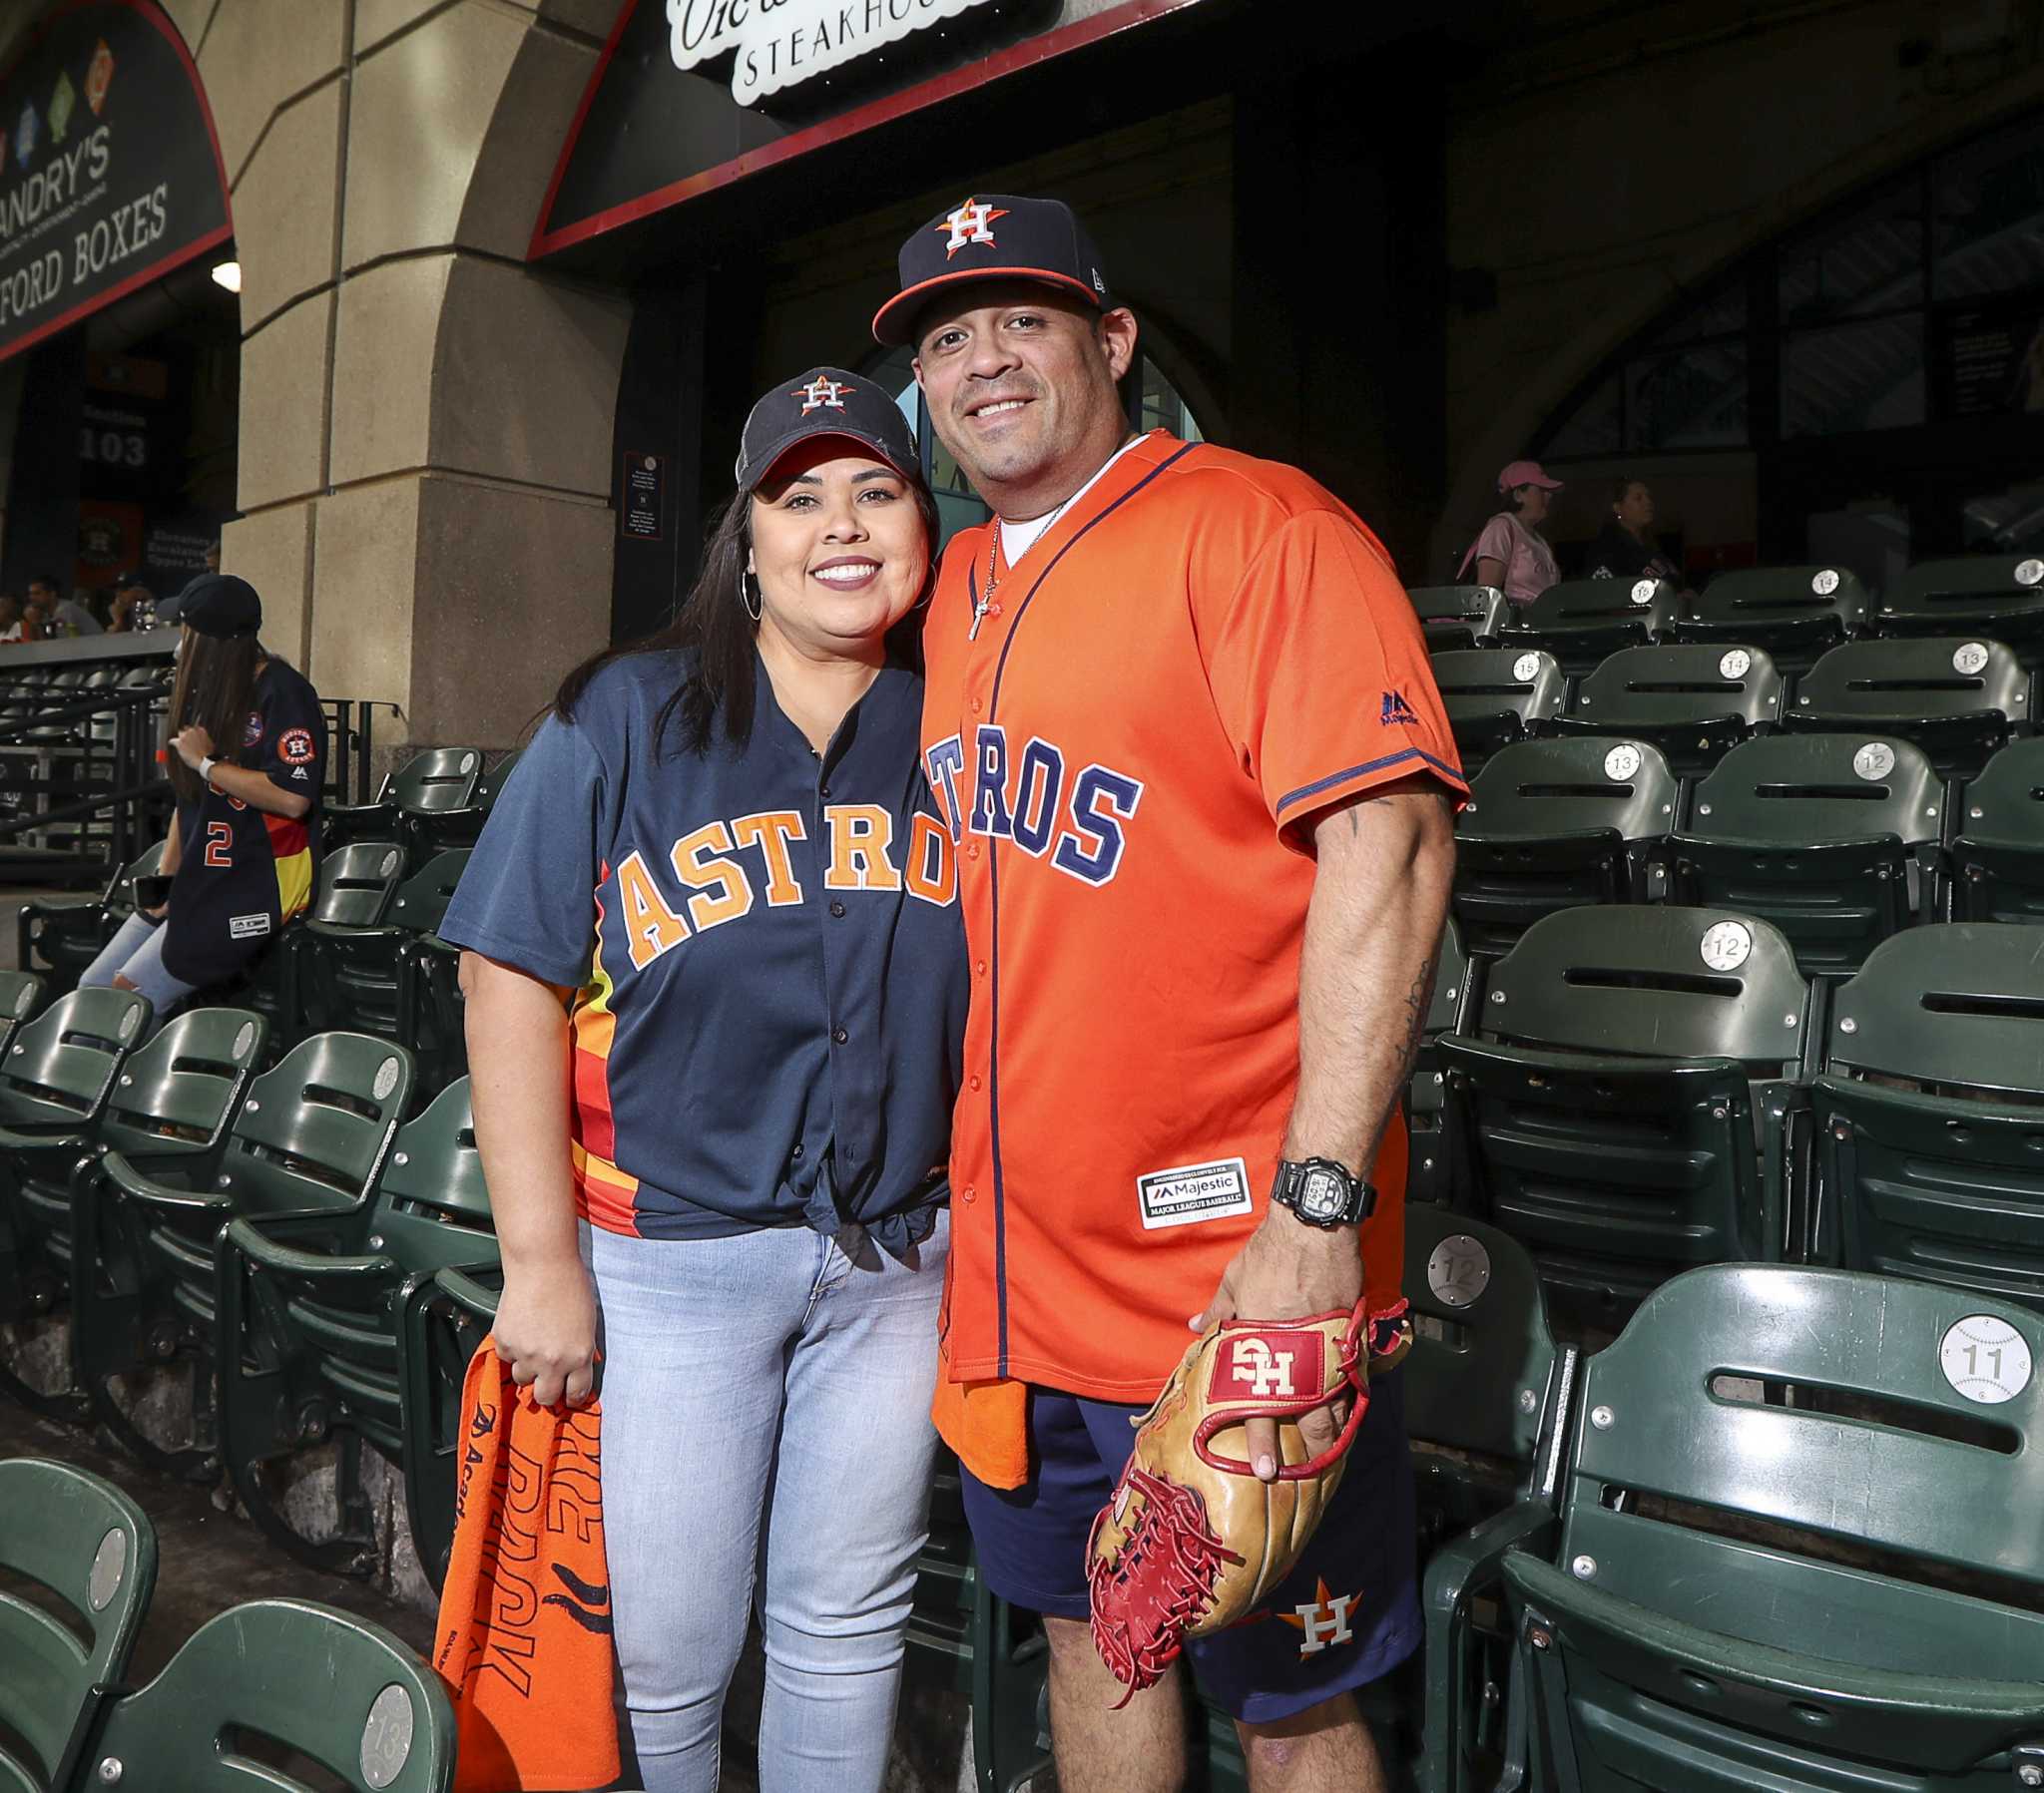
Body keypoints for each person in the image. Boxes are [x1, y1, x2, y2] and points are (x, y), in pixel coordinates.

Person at [874, 195, 1463, 1793]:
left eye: (1021, 320)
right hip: (1026, 1278)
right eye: (945, 337)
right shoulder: (949, 598)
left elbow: (1392, 846)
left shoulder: (1262, 527)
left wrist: (1317, 1208)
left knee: (1298, 1700)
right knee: (1091, 1634)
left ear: (1113, 343)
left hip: (1237, 1282)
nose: (981, 361)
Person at [437, 368, 967, 1793]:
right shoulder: (626, 711)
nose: (842, 527)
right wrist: (540, 1263)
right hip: (671, 1262)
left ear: (925, 519)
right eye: (801, 498)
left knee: (846, 1631)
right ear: (748, 534)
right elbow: (507, 975)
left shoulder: (971, 716)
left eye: (878, 489)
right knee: (671, 1649)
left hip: (901, 1259)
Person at [77, 574, 323, 1018]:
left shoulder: (283, 691)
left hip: (256, 884)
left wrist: (209, 764)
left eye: (187, 629)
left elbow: (292, 798)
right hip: (200, 879)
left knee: (126, 999)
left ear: (212, 640)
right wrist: (167, 880)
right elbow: (188, 802)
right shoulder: (210, 694)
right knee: (92, 988)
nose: (180, 641)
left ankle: (134, 1086)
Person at [1458, 460, 1562, 603]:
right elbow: (1487, 594)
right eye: (1541, 490)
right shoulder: (1501, 527)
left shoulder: (1540, 541)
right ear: (1518, 495)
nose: (1549, 495)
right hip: (1514, 622)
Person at [1586, 476, 1684, 585]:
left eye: (1648, 497)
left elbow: (1674, 581)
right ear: (1618, 508)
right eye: (1638, 498)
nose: (1648, 502)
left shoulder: (1649, 547)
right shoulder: (1607, 550)